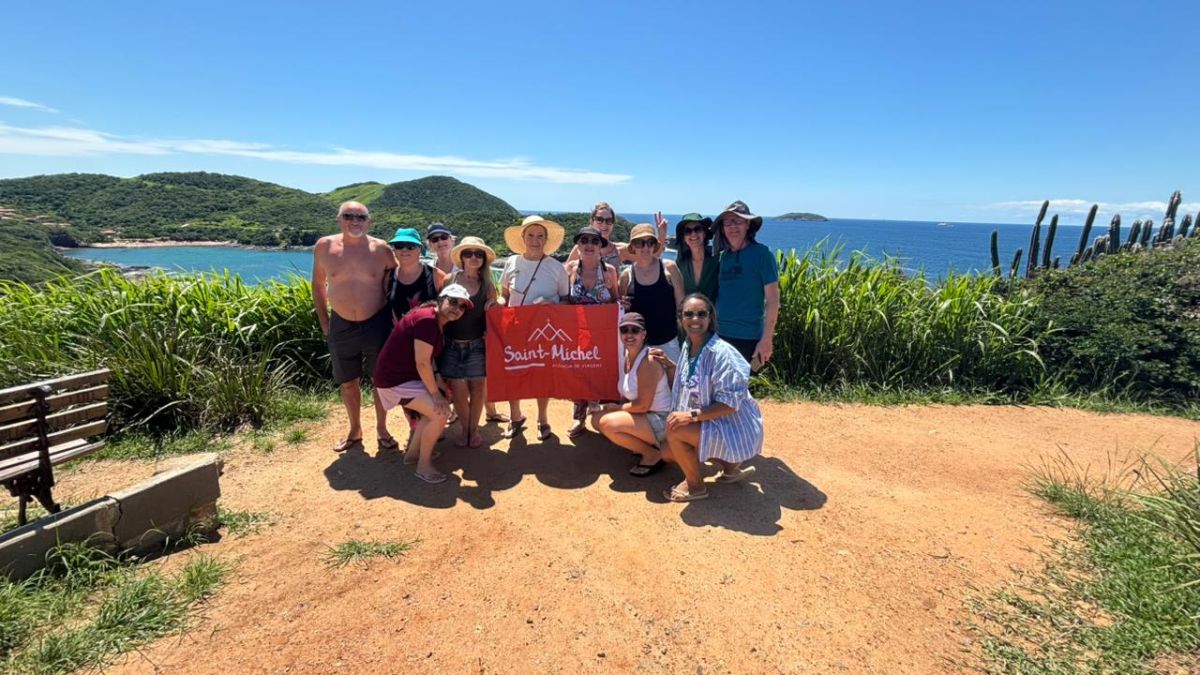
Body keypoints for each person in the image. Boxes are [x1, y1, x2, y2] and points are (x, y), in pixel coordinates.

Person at [655, 293, 762, 502]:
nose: (695, 319)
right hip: (717, 421)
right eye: (689, 314)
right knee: (668, 451)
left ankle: (695, 487)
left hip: (735, 426)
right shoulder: (689, 345)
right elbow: (692, 380)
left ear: (710, 318)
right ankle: (730, 466)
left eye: (701, 314)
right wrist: (670, 365)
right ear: (681, 318)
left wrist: (691, 416)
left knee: (675, 431)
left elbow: (730, 405)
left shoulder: (722, 353)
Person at [312, 201, 398, 454]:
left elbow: (399, 280)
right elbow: (318, 286)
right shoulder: (324, 247)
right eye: (349, 216)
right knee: (348, 382)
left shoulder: (382, 249)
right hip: (341, 323)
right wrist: (324, 321)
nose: (355, 221)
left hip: (377, 323)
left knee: (380, 380)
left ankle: (382, 429)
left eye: (361, 217)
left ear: (369, 221)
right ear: (339, 219)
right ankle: (355, 429)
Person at [373, 285, 474, 484]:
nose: (457, 308)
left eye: (462, 306)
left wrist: (438, 382)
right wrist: (436, 394)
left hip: (402, 378)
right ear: (441, 299)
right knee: (440, 412)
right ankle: (423, 466)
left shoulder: (433, 319)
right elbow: (422, 362)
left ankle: (413, 455)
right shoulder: (427, 320)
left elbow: (429, 358)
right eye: (453, 301)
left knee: (434, 411)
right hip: (394, 380)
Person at [497, 215, 569, 440]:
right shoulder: (512, 262)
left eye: (540, 236)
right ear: (523, 237)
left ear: (546, 240)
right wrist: (495, 305)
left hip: (543, 333)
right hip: (514, 329)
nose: (535, 240)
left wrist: (552, 305)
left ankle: (542, 419)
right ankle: (515, 417)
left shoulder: (556, 268)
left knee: (542, 375)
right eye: (530, 235)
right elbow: (504, 295)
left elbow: (566, 301)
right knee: (513, 373)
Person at [440, 236, 500, 448]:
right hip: (451, 345)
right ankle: (465, 430)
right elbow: (440, 310)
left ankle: (473, 431)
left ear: (483, 259)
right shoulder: (449, 280)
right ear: (462, 257)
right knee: (459, 392)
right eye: (468, 253)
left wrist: (496, 303)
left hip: (477, 345)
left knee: (477, 390)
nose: (473, 257)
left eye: (478, 254)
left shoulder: (487, 286)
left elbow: (496, 310)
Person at [594, 313, 672, 476]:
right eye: (624, 330)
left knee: (608, 423)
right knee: (596, 420)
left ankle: (653, 454)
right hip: (645, 414)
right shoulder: (626, 355)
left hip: (661, 419)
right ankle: (644, 443)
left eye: (635, 330)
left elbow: (643, 406)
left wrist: (617, 408)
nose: (629, 335)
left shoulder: (648, 362)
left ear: (643, 334)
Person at [563, 225, 619, 438]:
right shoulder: (570, 269)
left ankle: (599, 414)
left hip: (602, 335)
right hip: (576, 333)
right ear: (578, 245)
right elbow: (564, 299)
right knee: (578, 373)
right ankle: (579, 417)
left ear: (600, 246)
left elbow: (615, 300)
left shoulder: (609, 271)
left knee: (599, 373)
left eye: (594, 241)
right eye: (584, 240)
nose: (589, 245)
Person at [712, 200, 779, 368]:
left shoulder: (762, 254)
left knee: (745, 384)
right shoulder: (723, 257)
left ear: (748, 224)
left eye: (738, 221)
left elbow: (773, 300)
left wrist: (767, 339)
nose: (732, 226)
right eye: (728, 222)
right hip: (720, 336)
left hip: (749, 337)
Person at [618, 223, 685, 363]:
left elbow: (682, 306)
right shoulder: (626, 276)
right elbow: (622, 313)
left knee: (673, 377)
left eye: (650, 242)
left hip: (669, 341)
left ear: (655, 245)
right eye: (639, 243)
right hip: (638, 345)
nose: (645, 247)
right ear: (633, 247)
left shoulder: (669, 268)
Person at [565, 202, 669, 266]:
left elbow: (650, 258)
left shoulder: (619, 250)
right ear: (592, 221)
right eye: (599, 220)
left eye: (609, 220)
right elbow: (566, 273)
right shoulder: (579, 248)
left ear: (613, 224)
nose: (604, 224)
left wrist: (661, 235)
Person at [386, 227, 448, 321]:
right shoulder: (388, 277)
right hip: (394, 330)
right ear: (394, 250)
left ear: (419, 249)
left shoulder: (436, 276)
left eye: (410, 246)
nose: (404, 250)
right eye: (399, 245)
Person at [674, 213, 718, 300]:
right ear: (684, 238)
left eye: (697, 229)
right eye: (688, 231)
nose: (693, 234)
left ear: (704, 233)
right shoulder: (679, 264)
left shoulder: (717, 260)